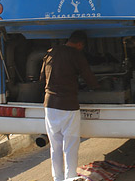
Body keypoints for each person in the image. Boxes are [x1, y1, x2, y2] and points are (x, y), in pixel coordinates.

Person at [40, 30, 99, 181]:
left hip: (49, 105)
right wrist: (97, 86)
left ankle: (58, 178)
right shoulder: (76, 55)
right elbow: (89, 78)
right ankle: (71, 177)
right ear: (80, 44)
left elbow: (42, 77)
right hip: (68, 105)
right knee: (70, 145)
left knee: (55, 146)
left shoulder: (50, 53)